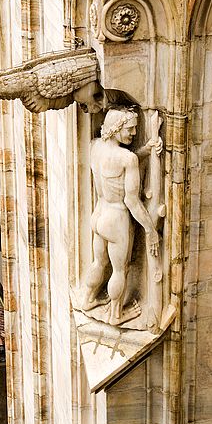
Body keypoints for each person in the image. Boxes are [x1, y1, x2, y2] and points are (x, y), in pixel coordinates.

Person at [83, 107, 162, 326]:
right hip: (116, 217)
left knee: (99, 261)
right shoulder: (127, 159)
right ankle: (116, 314)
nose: (134, 133)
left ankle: (88, 299)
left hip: (98, 214)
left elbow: (113, 165)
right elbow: (131, 201)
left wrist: (145, 150)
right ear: (116, 128)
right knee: (120, 269)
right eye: (129, 128)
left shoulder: (95, 146)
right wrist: (150, 230)